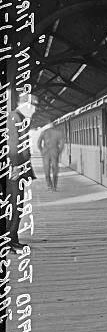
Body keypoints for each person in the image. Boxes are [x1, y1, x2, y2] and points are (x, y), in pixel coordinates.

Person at [7, 93, 37, 254]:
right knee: (14, 205)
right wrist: (16, 167)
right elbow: (13, 146)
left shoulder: (18, 118)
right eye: (33, 106)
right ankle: (10, 241)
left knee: (16, 205)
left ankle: (12, 239)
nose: (34, 109)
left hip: (17, 170)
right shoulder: (14, 118)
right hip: (14, 171)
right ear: (25, 105)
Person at [37, 125, 65, 191]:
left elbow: (38, 143)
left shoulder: (44, 132)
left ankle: (49, 185)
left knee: (46, 169)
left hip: (46, 152)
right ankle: (54, 186)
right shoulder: (59, 133)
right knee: (55, 169)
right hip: (54, 151)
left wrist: (42, 150)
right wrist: (59, 152)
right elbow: (62, 144)